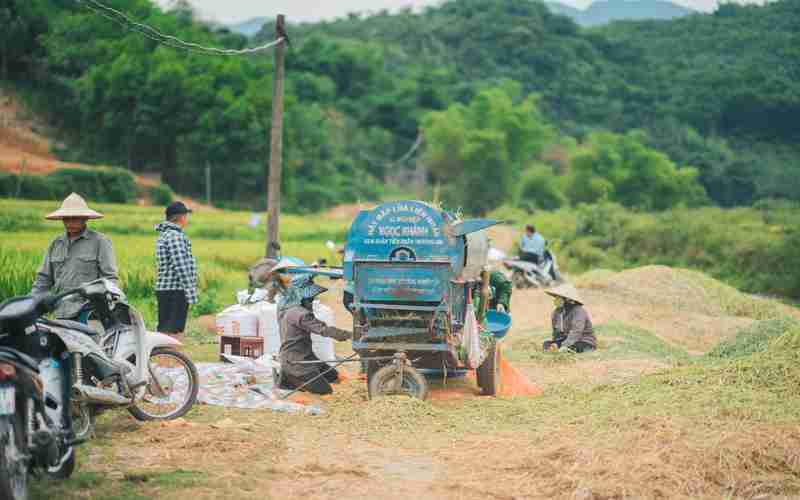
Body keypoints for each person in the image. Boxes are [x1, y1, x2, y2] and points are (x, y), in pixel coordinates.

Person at [31, 193, 119, 319]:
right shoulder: (56, 244)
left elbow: (110, 279)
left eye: (75, 218)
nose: (70, 222)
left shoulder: (100, 242)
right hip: (61, 311)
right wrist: (31, 303)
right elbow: (43, 280)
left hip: (89, 312)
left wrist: (102, 304)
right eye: (67, 218)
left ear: (85, 218)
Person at [277, 275, 351, 395]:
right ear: (300, 297)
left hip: (307, 358)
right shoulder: (300, 314)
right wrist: (349, 335)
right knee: (326, 392)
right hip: (297, 363)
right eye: (310, 299)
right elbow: (323, 330)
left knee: (334, 376)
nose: (312, 301)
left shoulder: (286, 310)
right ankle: (294, 382)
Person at [155, 201, 198, 339]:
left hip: (167, 289)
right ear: (180, 217)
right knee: (174, 332)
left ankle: (164, 359)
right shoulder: (175, 236)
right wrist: (191, 292)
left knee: (165, 329)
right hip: (175, 290)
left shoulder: (165, 234)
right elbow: (181, 265)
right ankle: (172, 359)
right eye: (186, 216)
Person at [543, 283, 597, 353]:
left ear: (568, 299)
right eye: (556, 297)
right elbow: (556, 332)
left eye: (559, 297)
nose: (556, 299)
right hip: (566, 340)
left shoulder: (578, 311)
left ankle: (566, 349)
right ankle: (561, 349)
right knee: (546, 343)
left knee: (574, 348)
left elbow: (576, 331)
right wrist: (555, 343)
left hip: (583, 340)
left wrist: (564, 345)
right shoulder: (556, 313)